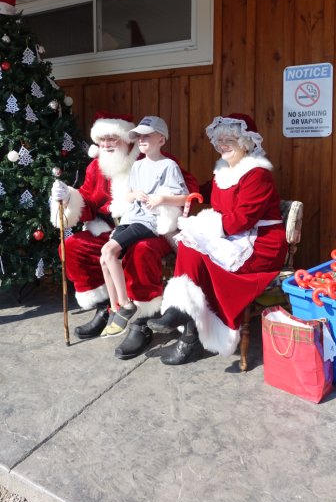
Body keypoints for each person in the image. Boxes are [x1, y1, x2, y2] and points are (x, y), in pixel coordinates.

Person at [50, 111, 199, 358]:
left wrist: (161, 201)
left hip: (153, 228)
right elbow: (87, 199)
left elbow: (188, 188)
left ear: (127, 139)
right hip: (112, 226)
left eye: (113, 138)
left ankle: (142, 320)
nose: (107, 144)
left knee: (140, 251)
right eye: (102, 140)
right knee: (75, 244)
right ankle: (106, 306)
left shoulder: (154, 158)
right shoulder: (96, 167)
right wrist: (67, 197)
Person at [148, 113, 287, 365]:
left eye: (230, 139)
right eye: (219, 139)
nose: (223, 144)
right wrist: (177, 194)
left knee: (194, 248)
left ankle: (186, 330)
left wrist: (203, 226)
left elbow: (241, 220)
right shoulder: (224, 171)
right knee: (190, 248)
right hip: (232, 237)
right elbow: (201, 191)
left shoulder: (257, 175)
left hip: (260, 243)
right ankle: (182, 314)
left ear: (245, 142)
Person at [99, 117, 188, 337]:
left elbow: (184, 197)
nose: (142, 140)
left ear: (162, 139)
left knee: (109, 251)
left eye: (147, 135)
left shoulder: (169, 165)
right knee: (105, 258)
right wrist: (133, 195)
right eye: (139, 136)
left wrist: (162, 199)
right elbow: (126, 195)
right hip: (131, 217)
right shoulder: (137, 165)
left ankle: (126, 305)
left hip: (148, 222)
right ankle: (117, 308)